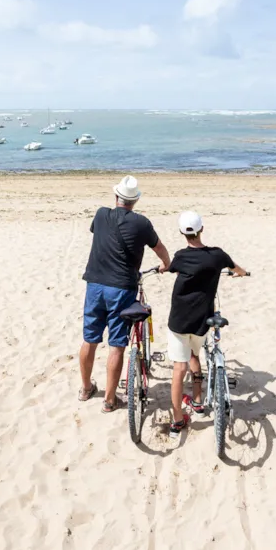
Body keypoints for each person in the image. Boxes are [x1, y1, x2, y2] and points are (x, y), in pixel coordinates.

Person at [79, 175, 171, 412]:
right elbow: (159, 248)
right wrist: (166, 263)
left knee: (90, 339)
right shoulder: (141, 223)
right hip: (121, 287)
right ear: (135, 201)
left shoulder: (100, 215)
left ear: (116, 196)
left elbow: (100, 235)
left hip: (95, 285)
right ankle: (109, 400)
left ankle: (86, 388)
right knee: (117, 345)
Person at [165, 211, 248, 434]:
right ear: (202, 229)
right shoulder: (217, 255)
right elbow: (236, 269)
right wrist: (242, 273)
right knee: (195, 353)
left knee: (179, 366)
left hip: (179, 319)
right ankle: (198, 399)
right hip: (202, 320)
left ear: (182, 233)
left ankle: (177, 420)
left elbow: (171, 267)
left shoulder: (180, 256)